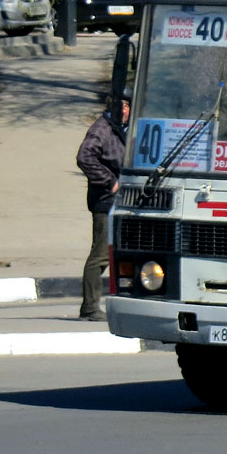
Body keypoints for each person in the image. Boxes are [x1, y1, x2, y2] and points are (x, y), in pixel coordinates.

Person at [75, 87, 130, 321]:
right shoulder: (102, 128)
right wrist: (110, 182)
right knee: (100, 255)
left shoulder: (121, 129)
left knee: (120, 253)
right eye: (125, 106)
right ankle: (89, 307)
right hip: (105, 200)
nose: (126, 110)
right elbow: (85, 157)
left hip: (122, 200)